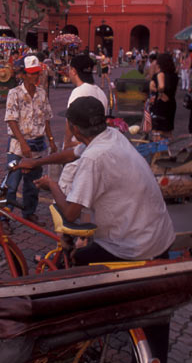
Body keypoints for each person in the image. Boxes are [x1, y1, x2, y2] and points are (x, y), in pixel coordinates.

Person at [32, 97, 175, 265]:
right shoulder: (111, 135)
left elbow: (71, 214)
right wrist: (36, 162)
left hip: (137, 246)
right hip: (160, 235)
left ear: (75, 129)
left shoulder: (93, 158)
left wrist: (51, 184)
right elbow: (71, 154)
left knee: (78, 258)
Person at [4, 55, 56, 223]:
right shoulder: (15, 93)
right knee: (12, 185)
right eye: (32, 73)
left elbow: (46, 118)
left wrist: (51, 139)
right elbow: (11, 120)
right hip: (18, 147)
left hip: (38, 146)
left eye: (38, 73)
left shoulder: (42, 93)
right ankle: (4, 218)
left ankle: (29, 213)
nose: (36, 76)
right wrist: (23, 144)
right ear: (24, 74)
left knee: (33, 184)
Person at [63, 54, 108, 148]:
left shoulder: (78, 92)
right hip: (97, 144)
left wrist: (67, 143)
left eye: (69, 69)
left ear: (73, 71)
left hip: (80, 147)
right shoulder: (101, 92)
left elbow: (70, 120)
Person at [149, 52, 179, 137]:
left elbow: (161, 86)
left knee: (158, 131)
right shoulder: (174, 75)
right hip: (171, 103)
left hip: (161, 104)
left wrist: (160, 93)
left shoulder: (161, 74)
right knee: (168, 130)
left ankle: (159, 150)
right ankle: (168, 148)